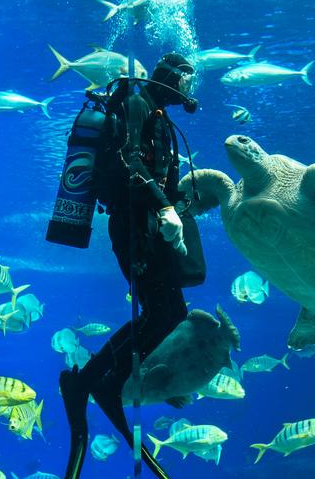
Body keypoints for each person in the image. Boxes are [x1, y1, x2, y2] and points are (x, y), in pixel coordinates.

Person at [60, 53, 205, 479]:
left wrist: (177, 209)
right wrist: (165, 209)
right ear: (174, 78)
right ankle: (87, 383)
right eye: (187, 81)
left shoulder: (160, 116)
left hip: (149, 228)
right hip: (132, 230)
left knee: (169, 314)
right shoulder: (136, 102)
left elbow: (162, 174)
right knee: (163, 313)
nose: (190, 92)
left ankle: (102, 382)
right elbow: (127, 161)